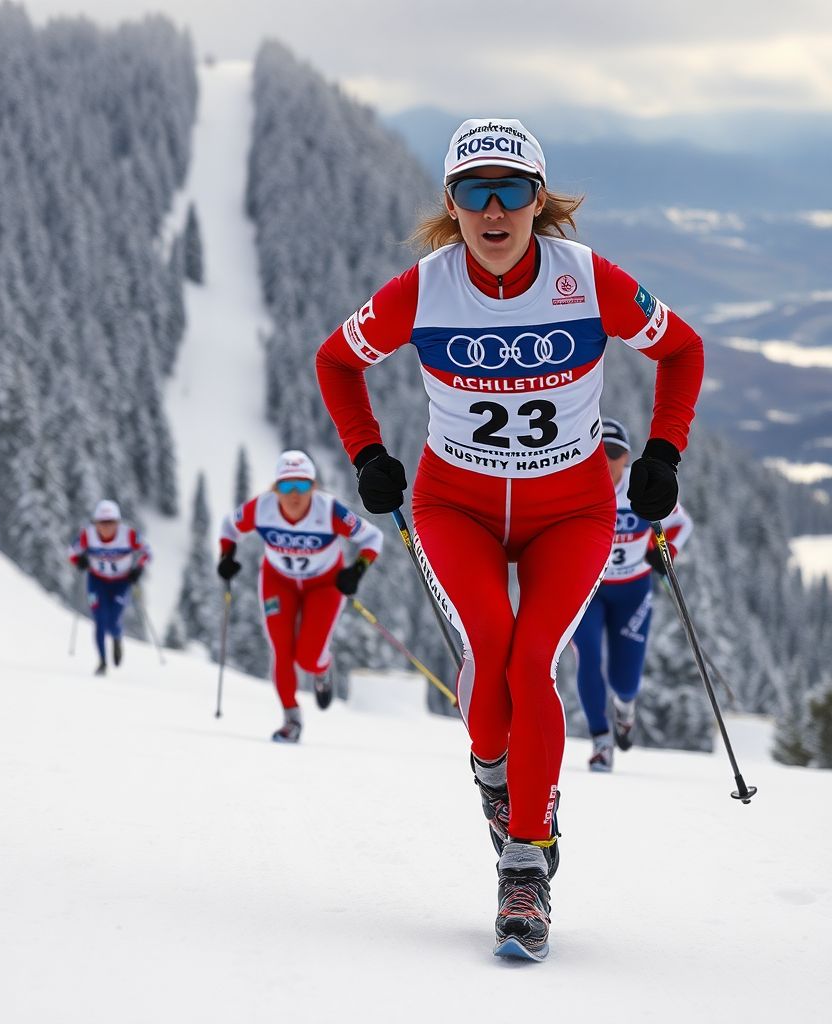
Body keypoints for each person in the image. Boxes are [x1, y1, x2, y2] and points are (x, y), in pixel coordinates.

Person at [315, 118, 703, 960]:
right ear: (452, 205)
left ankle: (525, 861)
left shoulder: (586, 279)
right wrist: (368, 454)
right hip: (459, 506)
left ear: (540, 201)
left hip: (572, 509)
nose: (495, 212)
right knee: (490, 651)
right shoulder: (422, 289)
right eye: (474, 193)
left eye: (513, 191)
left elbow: (683, 350)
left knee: (533, 663)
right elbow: (335, 363)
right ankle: (497, 773)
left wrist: (665, 452)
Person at [217, 450, 384, 743]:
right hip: (277, 581)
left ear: (314, 487)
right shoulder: (262, 508)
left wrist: (356, 570)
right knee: (282, 651)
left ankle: (321, 670)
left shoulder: (329, 510)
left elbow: (372, 538)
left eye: (303, 485)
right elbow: (230, 527)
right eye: (286, 486)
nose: (294, 495)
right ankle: (291, 719)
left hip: (323, 584)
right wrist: (227, 555)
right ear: (275, 489)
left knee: (307, 657)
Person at [572, 417, 694, 772]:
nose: (607, 460)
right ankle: (601, 741)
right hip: (588, 591)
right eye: (600, 452)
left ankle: (625, 709)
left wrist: (666, 548)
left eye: (616, 453)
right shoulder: (579, 488)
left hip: (634, 591)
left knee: (625, 679)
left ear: (626, 459)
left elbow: (680, 524)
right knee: (589, 659)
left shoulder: (638, 490)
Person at [69, 499, 150, 676]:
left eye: (111, 523)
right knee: (99, 619)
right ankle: (102, 662)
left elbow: (147, 551)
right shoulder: (87, 535)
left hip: (121, 582)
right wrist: (80, 562)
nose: (106, 527)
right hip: (97, 581)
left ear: (117, 523)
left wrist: (138, 569)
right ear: (95, 523)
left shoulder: (128, 534)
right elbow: (72, 552)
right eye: (102, 523)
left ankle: (117, 637)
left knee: (113, 620)